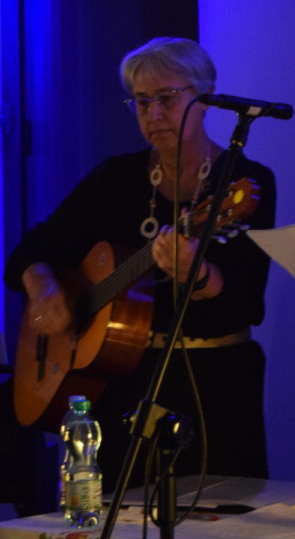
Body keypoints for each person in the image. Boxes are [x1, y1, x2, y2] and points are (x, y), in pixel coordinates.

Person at [5, 36, 276, 494]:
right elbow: (29, 253)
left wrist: (197, 274)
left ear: (205, 97)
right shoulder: (116, 178)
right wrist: (46, 289)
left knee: (223, 519)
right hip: (124, 384)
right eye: (142, 101)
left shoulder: (244, 182)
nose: (153, 114)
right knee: (124, 520)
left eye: (167, 98)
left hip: (216, 382)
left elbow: (245, 304)